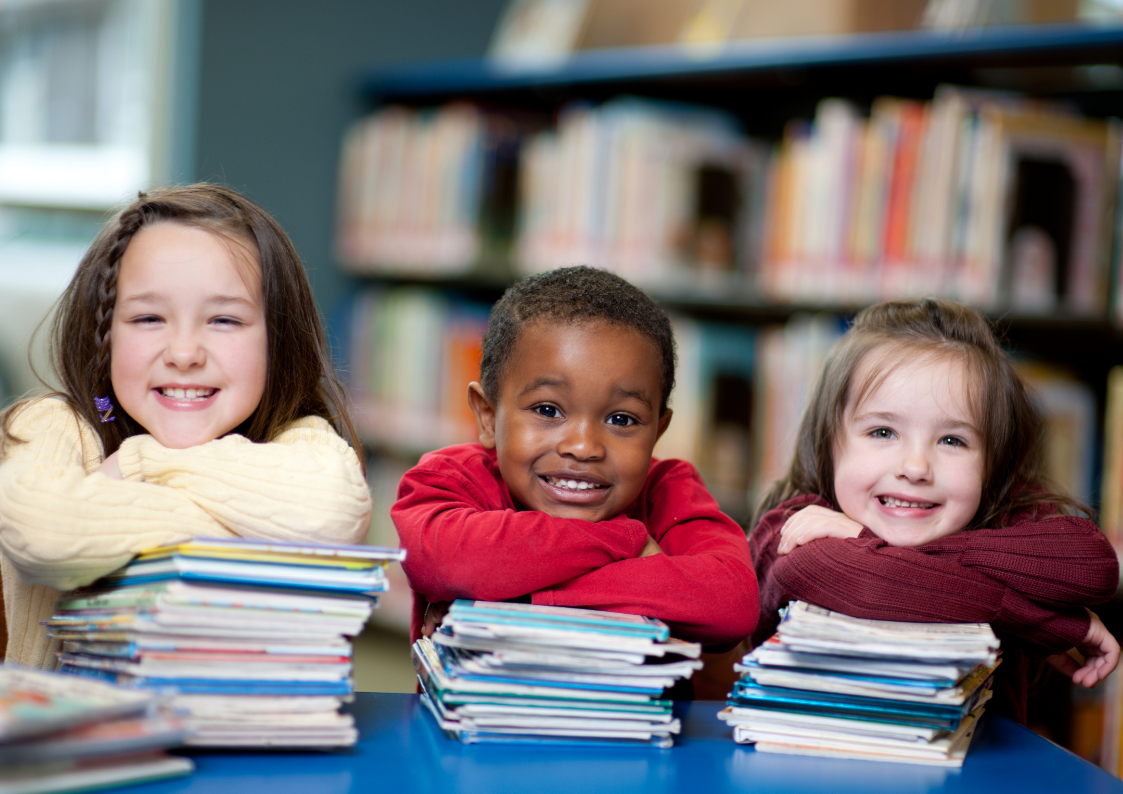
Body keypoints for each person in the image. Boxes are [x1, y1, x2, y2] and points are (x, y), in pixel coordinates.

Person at [0, 184, 373, 669]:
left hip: (241, 734)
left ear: (278, 337)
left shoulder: (298, 437)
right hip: (70, 742)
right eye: (149, 317)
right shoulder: (55, 424)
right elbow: (44, 534)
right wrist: (252, 528)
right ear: (104, 336)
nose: (183, 354)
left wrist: (139, 463)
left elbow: (333, 513)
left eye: (223, 320)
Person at [749, 297, 1119, 723]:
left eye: (952, 441)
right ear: (829, 442)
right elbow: (866, 585)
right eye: (883, 431)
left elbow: (1091, 566)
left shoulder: (998, 511)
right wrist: (1040, 621)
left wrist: (862, 541)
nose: (915, 468)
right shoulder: (793, 525)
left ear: (993, 461)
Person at [392, 266, 758, 657]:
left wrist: (509, 597)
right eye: (548, 410)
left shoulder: (668, 490)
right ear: (487, 416)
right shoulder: (450, 478)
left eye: (622, 419)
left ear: (658, 432)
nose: (583, 447)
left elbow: (731, 602)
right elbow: (446, 562)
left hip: (629, 719)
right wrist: (624, 540)